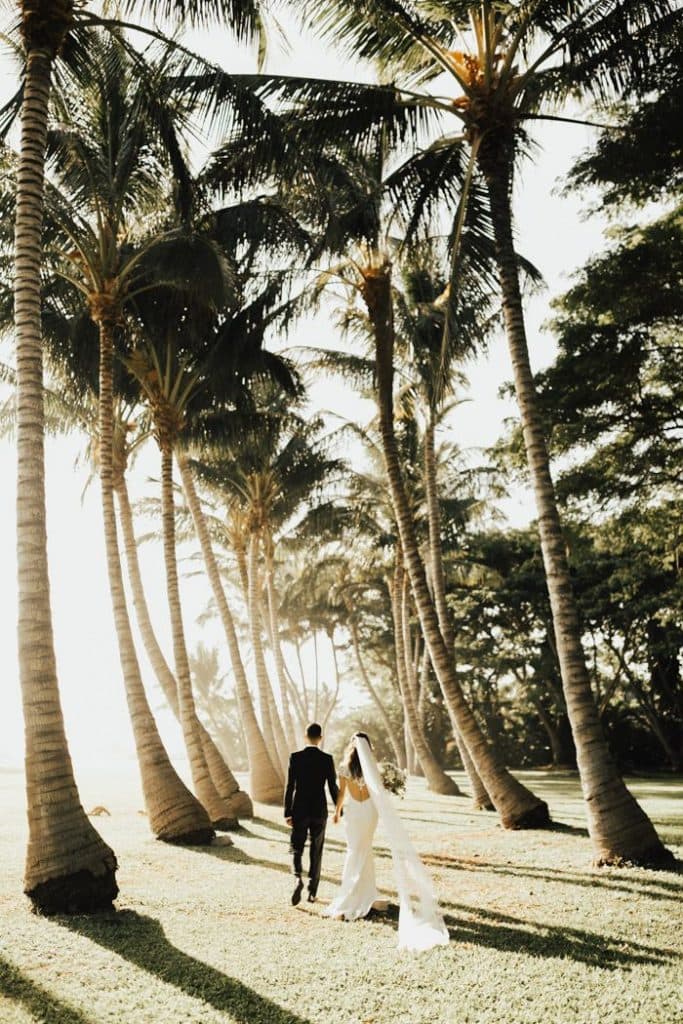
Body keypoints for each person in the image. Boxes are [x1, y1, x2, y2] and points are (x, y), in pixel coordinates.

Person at [325, 732, 449, 953]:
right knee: (364, 851)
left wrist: (336, 814)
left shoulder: (344, 769)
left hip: (353, 815)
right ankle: (366, 895)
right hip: (370, 813)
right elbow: (378, 794)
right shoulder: (373, 767)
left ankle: (354, 897)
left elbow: (342, 794)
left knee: (354, 852)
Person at [284, 722, 339, 906]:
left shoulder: (295, 757)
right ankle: (311, 892)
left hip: (299, 809)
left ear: (305, 737)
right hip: (319, 811)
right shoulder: (327, 759)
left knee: (296, 847)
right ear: (320, 738)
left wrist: (287, 812)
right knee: (316, 850)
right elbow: (332, 786)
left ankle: (297, 877)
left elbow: (290, 786)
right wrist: (340, 809)